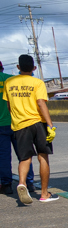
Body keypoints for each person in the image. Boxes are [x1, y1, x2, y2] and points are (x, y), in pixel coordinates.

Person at [2, 55, 55, 204]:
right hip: (38, 123)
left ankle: (22, 183)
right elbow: (40, 103)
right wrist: (50, 124)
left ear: (18, 67)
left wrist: (16, 119)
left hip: (20, 124)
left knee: (25, 158)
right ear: (34, 68)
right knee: (43, 156)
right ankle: (44, 194)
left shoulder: (9, 82)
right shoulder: (37, 82)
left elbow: (9, 106)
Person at [0, 61, 34, 196]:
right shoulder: (12, 79)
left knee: (3, 156)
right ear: (2, 68)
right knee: (24, 155)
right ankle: (29, 183)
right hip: (18, 122)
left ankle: (6, 185)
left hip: (0, 125)